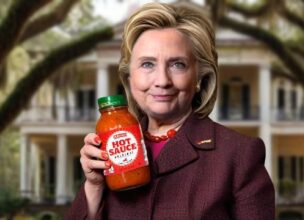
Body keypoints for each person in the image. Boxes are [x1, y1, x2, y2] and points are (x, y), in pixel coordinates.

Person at [65, 2, 275, 220]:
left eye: (177, 64)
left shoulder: (239, 154)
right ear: (130, 78)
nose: (162, 81)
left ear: (199, 78)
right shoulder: (111, 154)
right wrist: (94, 186)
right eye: (147, 64)